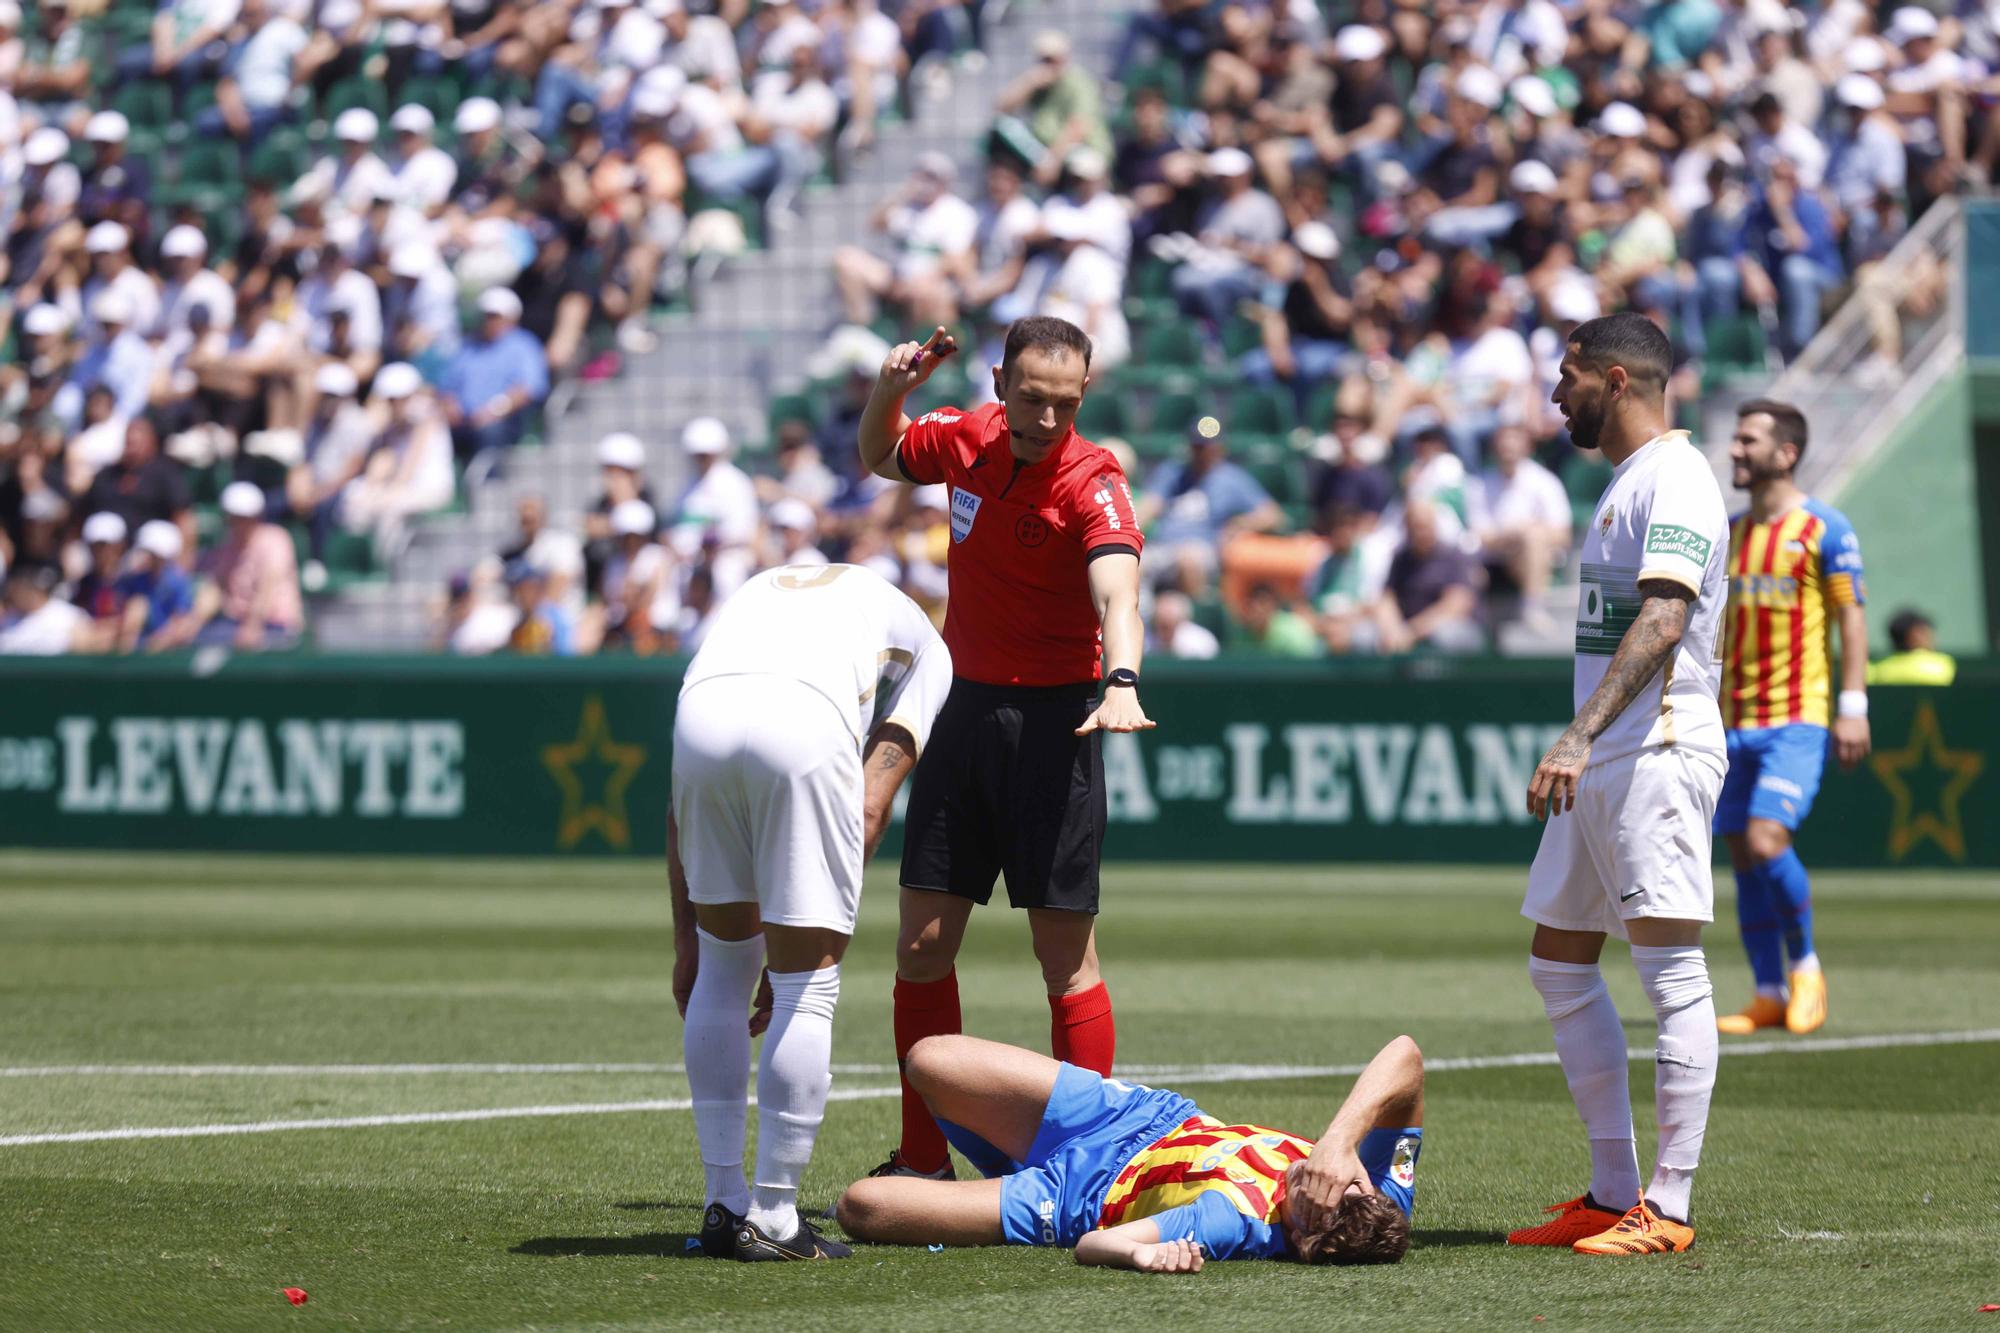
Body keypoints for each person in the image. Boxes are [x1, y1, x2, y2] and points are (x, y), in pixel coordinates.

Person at [856, 316, 1148, 1182]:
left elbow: (1117, 591)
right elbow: (882, 454)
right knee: (920, 946)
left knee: (1063, 959)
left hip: (1058, 724)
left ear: (1083, 396)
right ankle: (922, 1158)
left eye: (1066, 402)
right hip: (961, 711)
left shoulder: (1094, 480)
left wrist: (1122, 679)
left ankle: (1088, 1173)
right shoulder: (967, 440)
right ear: (998, 383)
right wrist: (889, 389)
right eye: (1032, 397)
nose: (1050, 418)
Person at [1513, 312, 1730, 1256]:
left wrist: (1577, 733)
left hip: (1658, 749)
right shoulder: (1628, 481)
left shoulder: (1678, 476)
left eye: (1567, 377)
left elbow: (1666, 616)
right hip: (1610, 758)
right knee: (1559, 959)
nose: (1556, 394)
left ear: (1615, 378)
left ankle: (1668, 1206)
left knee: (1670, 971)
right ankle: (1610, 1192)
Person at [672, 563, 953, 1261]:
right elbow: (871, 799)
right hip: (803, 722)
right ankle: (772, 1214)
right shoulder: (920, 633)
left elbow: (673, 818)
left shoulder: (755, 593)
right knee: (807, 984)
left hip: (699, 716)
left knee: (721, 967)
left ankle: (722, 1203)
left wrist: (687, 942)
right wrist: (809, 929)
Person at [834, 1033, 1424, 1270]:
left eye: (1311, 1199)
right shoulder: (1383, 1190)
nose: (1311, 1175)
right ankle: (1007, 1157)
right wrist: (1342, 1141)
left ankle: (1008, 1177)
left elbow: (1098, 1244)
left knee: (861, 1207)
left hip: (1075, 1200)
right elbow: (1406, 1057)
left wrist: (1141, 1256)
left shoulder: (1232, 1223)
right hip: (1137, 1119)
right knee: (928, 1061)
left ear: (1302, 1244)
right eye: (1333, 1179)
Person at [1712, 401, 1870, 1037]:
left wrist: (1852, 706)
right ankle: (1768, 991)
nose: (1734, 451)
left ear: (1786, 453)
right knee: (1741, 856)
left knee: (1765, 840)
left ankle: (1806, 968)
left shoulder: (1824, 528)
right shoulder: (1727, 533)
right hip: (1729, 722)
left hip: (1797, 718)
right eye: (1735, 438)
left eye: (1748, 440)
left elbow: (1852, 617)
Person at [1868, 609, 1956, 685]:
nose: (1931, 637)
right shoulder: (1942, 665)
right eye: (1924, 633)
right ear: (1913, 636)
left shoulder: (1877, 671)